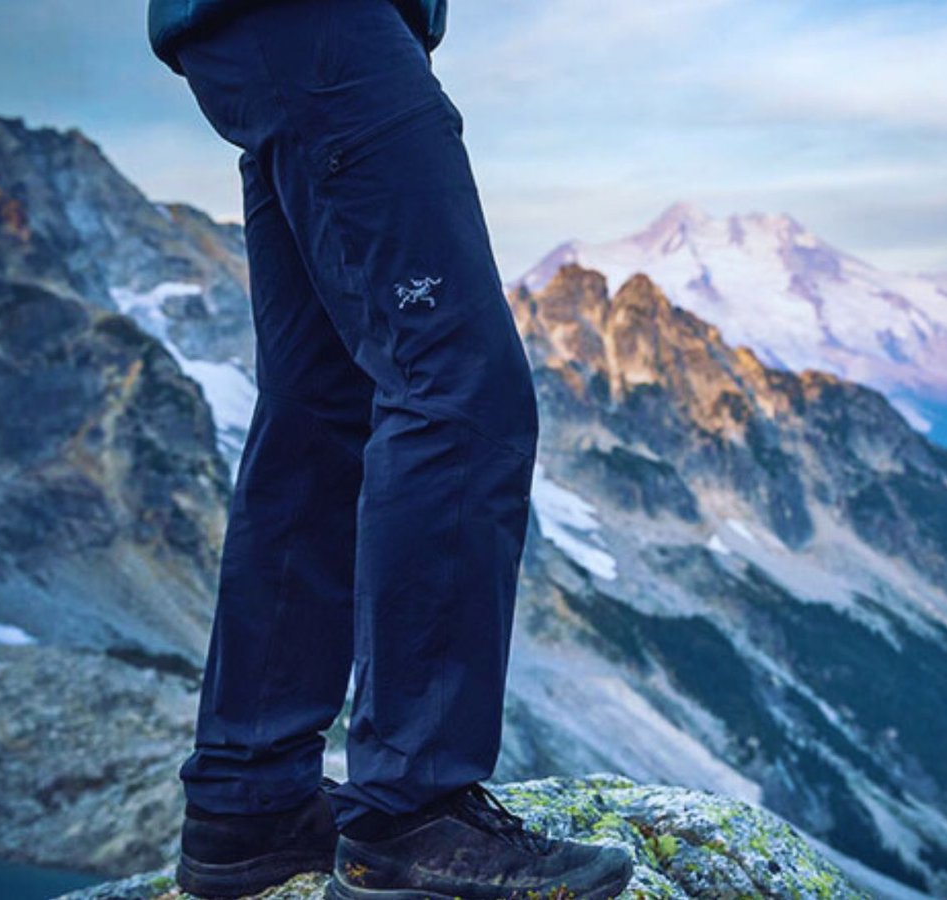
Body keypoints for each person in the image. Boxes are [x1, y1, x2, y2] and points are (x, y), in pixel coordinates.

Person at [144, 0, 634, 897]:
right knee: (460, 387)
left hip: (255, 32)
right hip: (324, 23)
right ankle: (412, 812)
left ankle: (248, 805)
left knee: (322, 408)